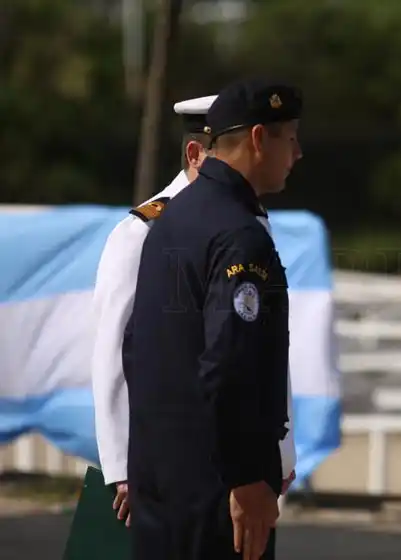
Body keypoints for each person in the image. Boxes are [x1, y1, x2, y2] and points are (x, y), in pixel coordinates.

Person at [126, 77, 303, 560]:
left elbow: (136, 348)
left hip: (162, 485)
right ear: (258, 139)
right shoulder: (238, 234)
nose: (299, 153)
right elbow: (231, 364)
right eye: (290, 138)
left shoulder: (174, 219)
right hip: (217, 496)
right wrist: (248, 478)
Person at [90, 94, 216, 525]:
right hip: (160, 461)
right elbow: (112, 351)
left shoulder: (251, 225)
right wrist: (124, 464)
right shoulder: (142, 232)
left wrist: (279, 453)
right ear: (195, 154)